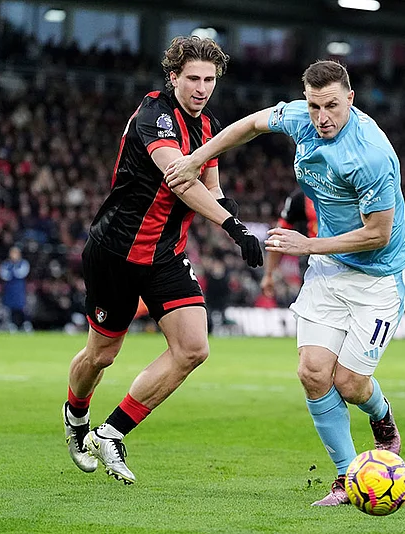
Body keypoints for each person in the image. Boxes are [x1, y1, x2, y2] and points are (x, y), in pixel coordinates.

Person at [165, 60, 405, 506]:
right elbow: (247, 126)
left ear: (350, 101)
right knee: (313, 372)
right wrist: (197, 158)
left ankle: (382, 418)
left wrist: (307, 245)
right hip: (329, 269)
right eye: (315, 105)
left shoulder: (372, 154)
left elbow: (377, 232)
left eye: (332, 106)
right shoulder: (302, 117)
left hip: (379, 275)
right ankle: (345, 477)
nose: (322, 117)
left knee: (351, 384)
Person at [62, 36, 263, 485]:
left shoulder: (209, 123)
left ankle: (111, 432)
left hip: (165, 255)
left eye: (209, 79)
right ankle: (76, 418)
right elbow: (180, 180)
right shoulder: (156, 115)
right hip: (116, 251)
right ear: (173, 77)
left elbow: (211, 187)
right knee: (102, 355)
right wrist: (234, 228)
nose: (202, 87)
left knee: (193, 348)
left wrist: (236, 220)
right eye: (193, 78)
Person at [260, 188, 317, 301]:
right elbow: (279, 234)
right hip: (311, 264)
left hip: (343, 260)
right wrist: (269, 274)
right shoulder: (300, 197)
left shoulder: (349, 193)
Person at [0, 245, 30, 331]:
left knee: (21, 307)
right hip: (9, 289)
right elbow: (4, 275)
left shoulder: (24, 263)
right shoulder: (5, 264)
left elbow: (21, 273)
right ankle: (11, 324)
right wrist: (13, 272)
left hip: (19, 289)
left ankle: (25, 324)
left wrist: (12, 272)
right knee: (10, 307)